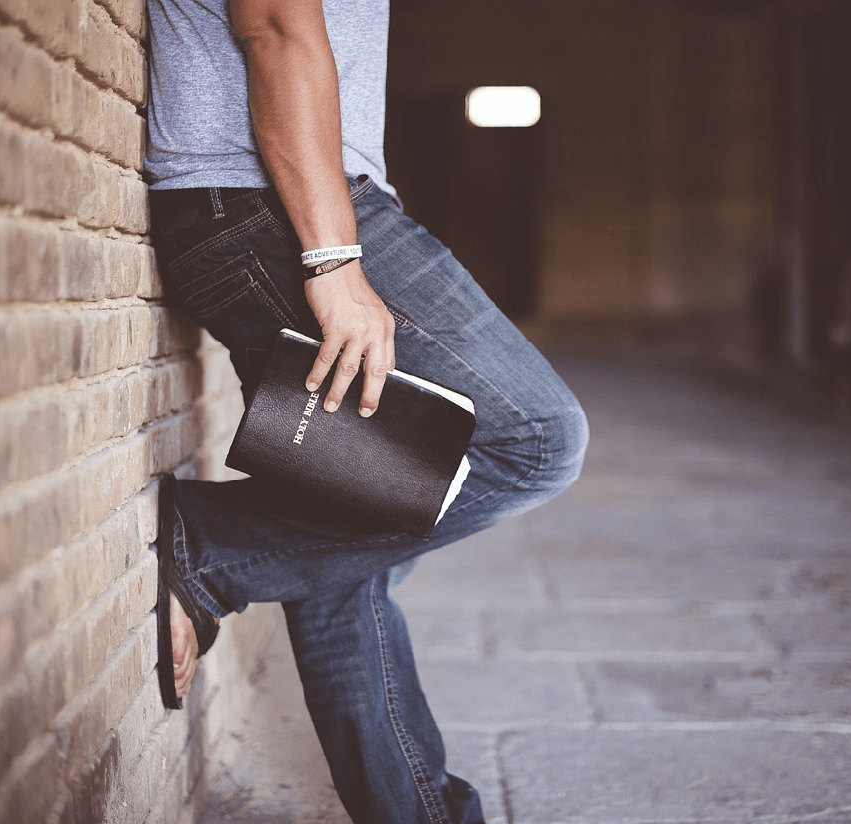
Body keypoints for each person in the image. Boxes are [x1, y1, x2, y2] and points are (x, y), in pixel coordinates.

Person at [145, 0, 589, 821]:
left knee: (346, 542)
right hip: (270, 211)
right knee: (535, 440)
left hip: (262, 203)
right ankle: (211, 544)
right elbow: (276, 25)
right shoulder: (308, 232)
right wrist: (334, 257)